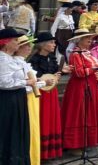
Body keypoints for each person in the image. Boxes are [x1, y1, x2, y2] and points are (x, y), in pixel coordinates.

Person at [61, 29, 98, 152]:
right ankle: (76, 144)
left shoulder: (87, 52)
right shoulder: (75, 54)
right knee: (79, 113)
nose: (90, 40)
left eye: (90, 38)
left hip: (90, 85)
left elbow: (91, 68)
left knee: (89, 113)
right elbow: (79, 73)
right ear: (79, 40)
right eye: (87, 38)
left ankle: (87, 141)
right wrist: (94, 68)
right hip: (79, 87)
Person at [29, 32, 69, 160]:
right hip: (40, 94)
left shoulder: (52, 57)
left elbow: (54, 74)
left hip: (52, 92)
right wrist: (44, 80)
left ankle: (50, 152)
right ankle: (39, 152)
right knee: (42, 119)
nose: (54, 44)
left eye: (54, 42)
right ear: (42, 44)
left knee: (52, 119)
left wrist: (60, 73)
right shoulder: (33, 60)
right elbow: (33, 79)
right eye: (51, 42)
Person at [15, 34, 52, 165]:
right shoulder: (16, 64)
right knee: (29, 128)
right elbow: (23, 85)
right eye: (26, 46)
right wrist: (42, 83)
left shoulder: (23, 63)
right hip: (26, 99)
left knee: (34, 128)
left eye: (29, 45)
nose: (29, 48)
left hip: (32, 99)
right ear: (18, 48)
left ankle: (33, 158)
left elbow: (31, 82)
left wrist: (41, 82)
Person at [0, 28, 34, 165]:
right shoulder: (2, 60)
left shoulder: (10, 59)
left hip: (17, 99)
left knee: (17, 133)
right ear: (6, 42)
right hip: (8, 101)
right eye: (15, 40)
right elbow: (3, 82)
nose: (17, 43)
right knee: (9, 133)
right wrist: (27, 82)